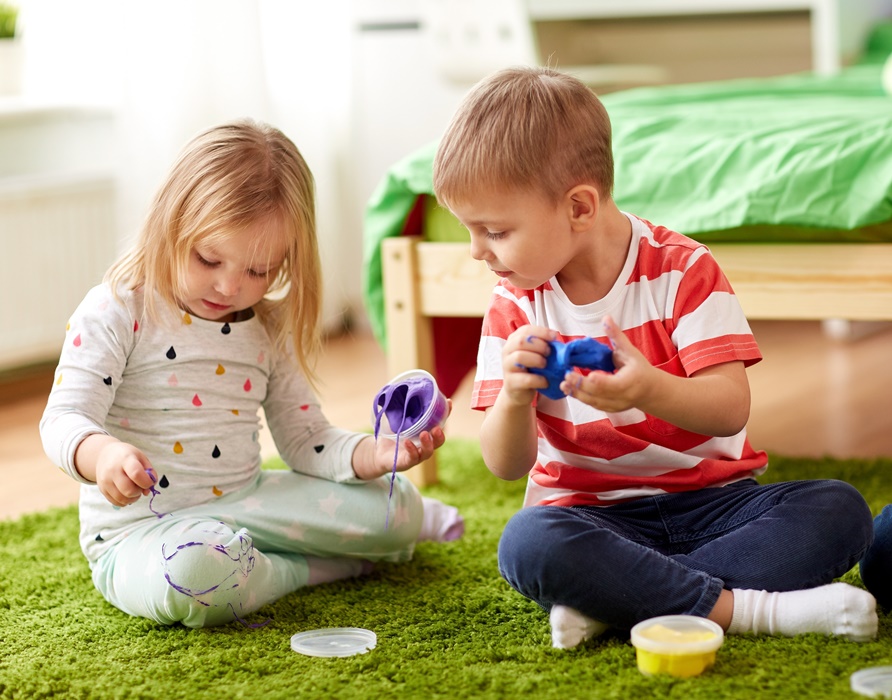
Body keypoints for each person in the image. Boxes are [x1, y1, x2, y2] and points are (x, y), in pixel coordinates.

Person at [431, 66, 876, 649]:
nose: (475, 251)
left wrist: (647, 390)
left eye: (494, 230)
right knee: (527, 542)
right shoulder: (514, 301)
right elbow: (505, 465)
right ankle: (751, 611)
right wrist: (515, 398)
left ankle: (618, 601)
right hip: (591, 517)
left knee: (838, 510)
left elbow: (729, 411)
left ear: (580, 207)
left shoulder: (684, 270)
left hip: (714, 506)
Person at [40, 119, 463, 629]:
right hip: (141, 532)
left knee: (396, 511)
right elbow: (64, 417)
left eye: (258, 272)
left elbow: (306, 439)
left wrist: (374, 454)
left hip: (249, 501)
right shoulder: (116, 308)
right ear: (170, 223)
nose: (228, 286)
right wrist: (100, 453)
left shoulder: (267, 326)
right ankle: (309, 569)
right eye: (209, 258)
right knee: (197, 573)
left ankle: (270, 558)